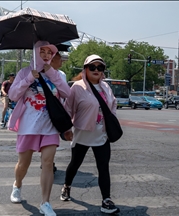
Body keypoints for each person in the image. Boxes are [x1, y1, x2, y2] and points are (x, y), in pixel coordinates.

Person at [7, 41, 71, 216]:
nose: (45, 55)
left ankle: (45, 203)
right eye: (41, 51)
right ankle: (17, 185)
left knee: (48, 163)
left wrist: (52, 73)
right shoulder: (24, 73)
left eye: (49, 52)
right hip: (28, 126)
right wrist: (29, 79)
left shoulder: (57, 74)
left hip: (50, 126)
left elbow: (67, 93)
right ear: (35, 53)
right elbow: (12, 95)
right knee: (23, 164)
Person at [61, 54, 120, 214]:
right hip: (82, 133)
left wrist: (111, 121)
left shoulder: (106, 87)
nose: (96, 70)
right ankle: (67, 186)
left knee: (103, 167)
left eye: (99, 67)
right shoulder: (77, 87)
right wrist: (66, 130)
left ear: (103, 71)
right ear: (85, 69)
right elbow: (68, 108)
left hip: (102, 134)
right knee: (75, 164)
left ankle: (106, 199)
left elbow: (113, 105)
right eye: (92, 67)